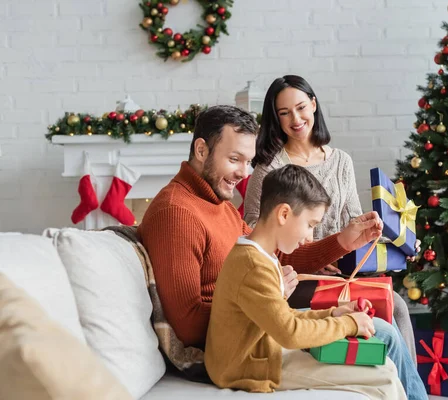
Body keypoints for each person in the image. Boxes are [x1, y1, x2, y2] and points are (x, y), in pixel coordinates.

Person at [137, 105, 383, 352]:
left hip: (260, 322)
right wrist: (271, 296)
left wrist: (343, 242)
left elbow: (275, 254)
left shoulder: (219, 205)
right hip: (238, 348)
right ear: (201, 150)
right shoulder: (176, 213)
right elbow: (188, 326)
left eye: (247, 162)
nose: (244, 173)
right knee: (383, 334)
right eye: (234, 159)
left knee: (379, 327)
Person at [244, 75, 418, 362]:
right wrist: (310, 251)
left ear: (313, 105)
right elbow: (253, 230)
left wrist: (398, 239)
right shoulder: (269, 168)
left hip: (344, 276)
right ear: (275, 118)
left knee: (396, 305)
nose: (295, 119)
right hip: (299, 280)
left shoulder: (341, 162)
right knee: (391, 308)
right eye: (284, 113)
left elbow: (353, 221)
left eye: (301, 107)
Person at [205, 164, 406, 399]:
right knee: (383, 377)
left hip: (264, 350)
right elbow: (290, 333)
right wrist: (350, 324)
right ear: (284, 214)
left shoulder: (263, 255)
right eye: (310, 225)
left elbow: (284, 319)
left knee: (385, 368)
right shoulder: (252, 266)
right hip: (249, 367)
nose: (309, 236)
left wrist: (334, 314)